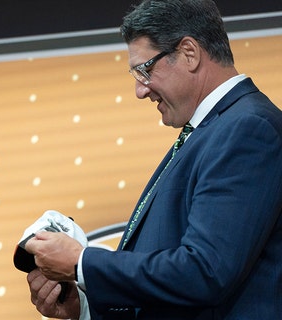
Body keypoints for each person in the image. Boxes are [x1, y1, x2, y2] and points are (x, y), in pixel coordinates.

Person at [23, 0, 282, 319]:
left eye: (145, 69)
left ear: (190, 53)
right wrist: (83, 308)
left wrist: (82, 263)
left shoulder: (247, 128)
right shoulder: (213, 130)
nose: (139, 91)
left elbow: (206, 271)